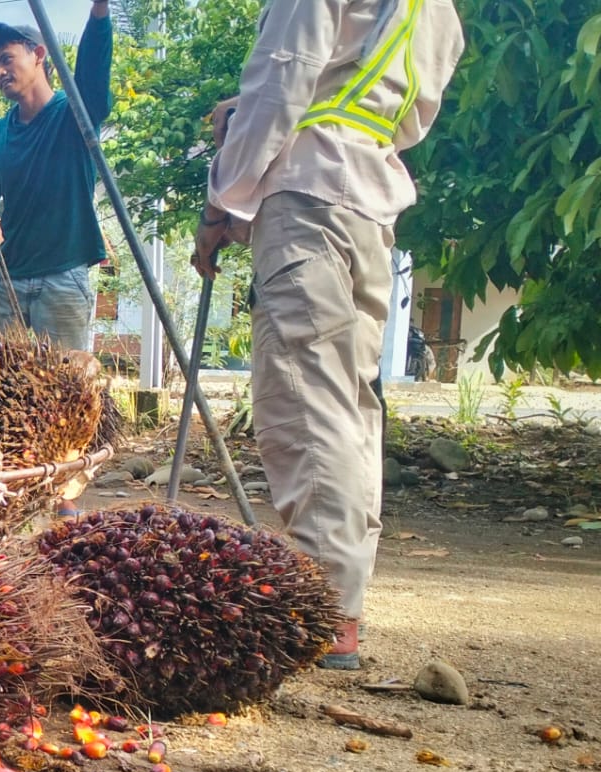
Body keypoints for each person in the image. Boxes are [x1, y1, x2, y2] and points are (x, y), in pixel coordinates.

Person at [193, 0, 463, 669]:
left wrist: (222, 200)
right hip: (370, 206)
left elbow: (281, 80)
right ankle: (341, 602)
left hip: (308, 198)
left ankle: (323, 611)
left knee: (308, 401)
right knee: (352, 410)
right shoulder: (441, 12)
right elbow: (404, 113)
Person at [0, 4, 114, 354]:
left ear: (38, 54)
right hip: (5, 275)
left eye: (6, 59)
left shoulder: (73, 115)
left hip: (64, 274)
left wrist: (99, 12)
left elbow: (93, 76)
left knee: (67, 389)